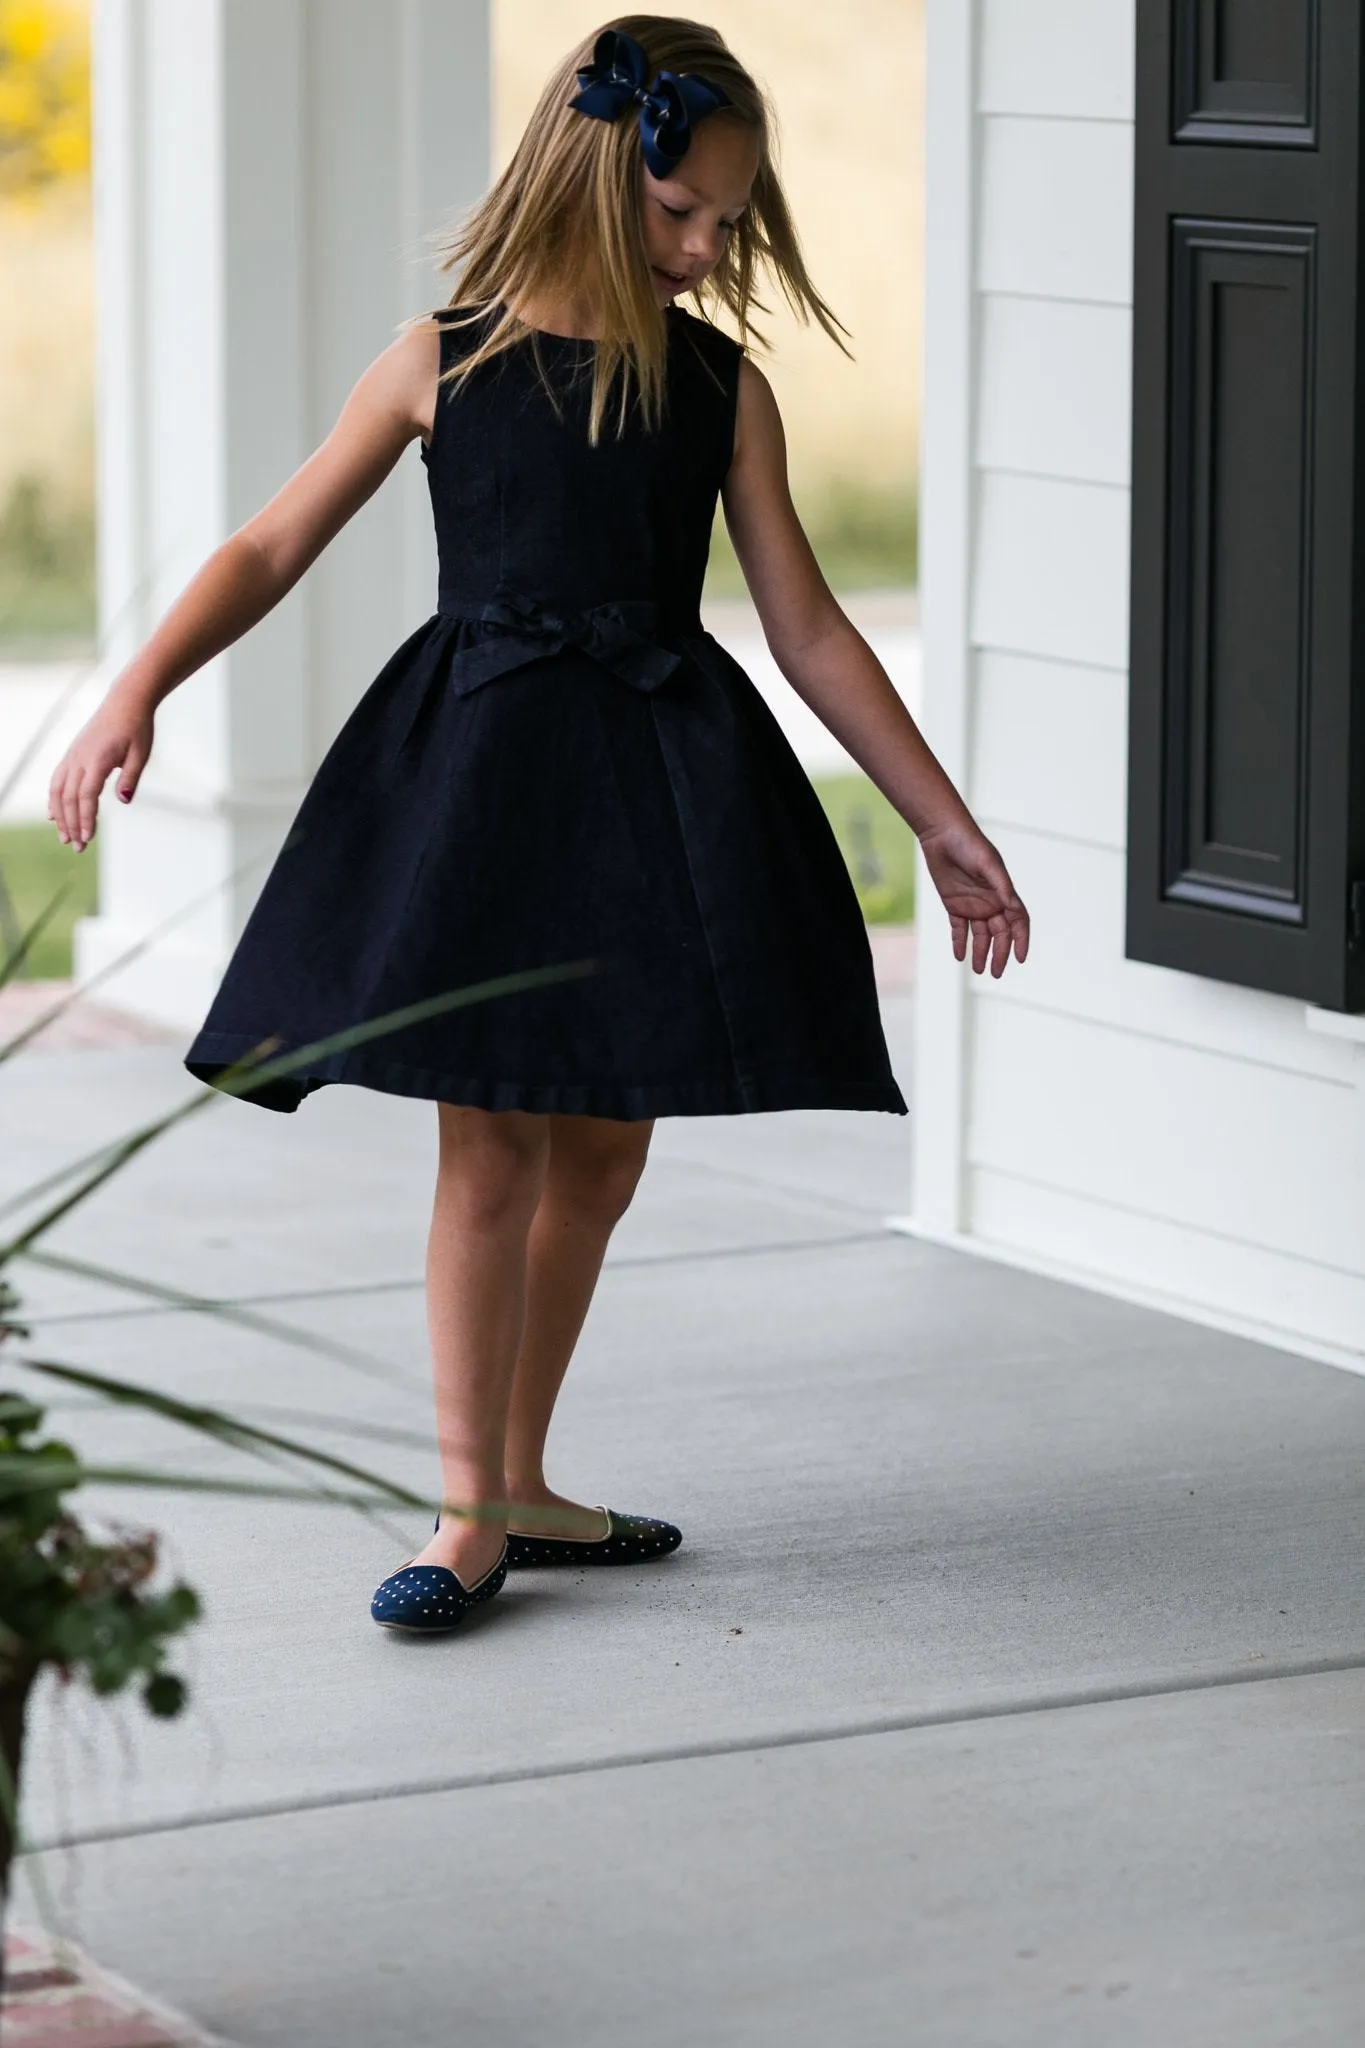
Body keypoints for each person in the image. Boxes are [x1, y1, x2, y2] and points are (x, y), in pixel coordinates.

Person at [47, 17, 1029, 1636]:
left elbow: (812, 631)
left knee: (608, 1139)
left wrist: (940, 820)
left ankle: (520, 1479)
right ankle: (464, 1514)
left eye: (734, 222)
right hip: (484, 785)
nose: (712, 252)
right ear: (593, 173)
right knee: (489, 1139)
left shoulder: (721, 390)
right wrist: (138, 682)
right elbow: (273, 542)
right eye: (682, 217)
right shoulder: (447, 359)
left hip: (653, 789)